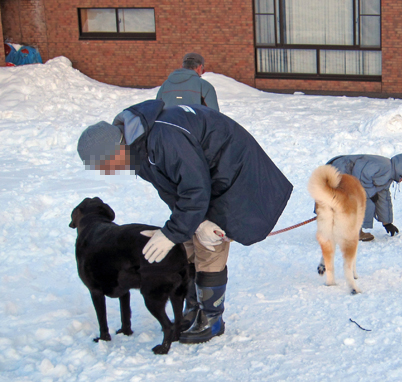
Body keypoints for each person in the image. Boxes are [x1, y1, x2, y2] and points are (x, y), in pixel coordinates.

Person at [77, 100, 293, 344]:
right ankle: (193, 307)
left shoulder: (163, 139)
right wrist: (188, 225)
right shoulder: (137, 147)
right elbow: (170, 187)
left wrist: (180, 230)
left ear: (114, 151)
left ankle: (212, 319)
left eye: (105, 166)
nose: (107, 172)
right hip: (208, 177)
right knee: (188, 239)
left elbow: (195, 188)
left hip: (234, 172)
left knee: (209, 243)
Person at [327, 153, 402, 242]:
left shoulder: (388, 174)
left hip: (343, 175)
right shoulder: (383, 166)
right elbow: (360, 178)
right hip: (338, 172)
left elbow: (383, 198)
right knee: (366, 200)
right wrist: (370, 193)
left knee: (369, 196)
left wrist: (387, 223)